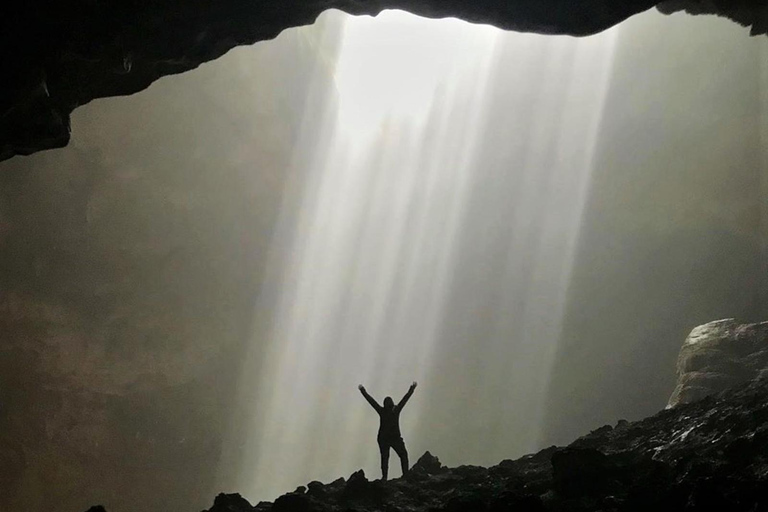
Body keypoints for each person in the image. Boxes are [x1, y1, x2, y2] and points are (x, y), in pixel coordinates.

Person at [358, 381, 417, 481]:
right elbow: (404, 399)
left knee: (391, 456)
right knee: (390, 456)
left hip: (389, 437)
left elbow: (372, 401)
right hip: (386, 438)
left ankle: (393, 476)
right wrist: (411, 389)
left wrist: (363, 391)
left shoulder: (386, 410)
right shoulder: (393, 410)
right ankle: (397, 475)